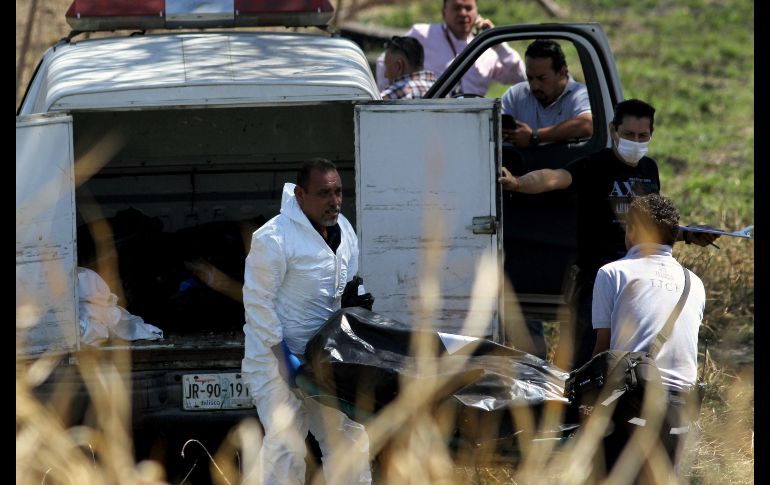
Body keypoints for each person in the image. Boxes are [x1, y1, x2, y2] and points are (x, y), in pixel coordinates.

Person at [498, 99, 716, 370]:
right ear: (613, 131)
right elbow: (554, 178)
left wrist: (687, 234)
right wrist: (518, 183)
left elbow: (654, 224)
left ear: (651, 134)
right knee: (584, 357)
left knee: (627, 356)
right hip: (596, 278)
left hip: (638, 280)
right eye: (628, 135)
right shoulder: (595, 165)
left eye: (642, 136)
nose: (635, 141)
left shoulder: (650, 169)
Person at [241, 159, 372, 484]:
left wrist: (357, 303)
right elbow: (258, 303)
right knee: (285, 448)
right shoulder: (274, 238)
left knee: (349, 441)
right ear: (300, 194)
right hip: (275, 363)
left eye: (338, 192)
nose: (334, 201)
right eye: (323, 193)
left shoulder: (345, 232)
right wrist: (283, 357)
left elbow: (347, 286)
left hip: (325, 360)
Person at [591, 193, 706, 480]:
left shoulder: (612, 273)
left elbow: (603, 354)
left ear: (632, 231)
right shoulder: (695, 283)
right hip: (680, 410)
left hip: (632, 402)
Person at [375, 0, 526, 97]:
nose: (463, 13)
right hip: (432, 115)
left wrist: (498, 44)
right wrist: (393, 96)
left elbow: (520, 77)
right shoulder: (423, 34)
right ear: (444, 13)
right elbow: (385, 61)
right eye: (457, 8)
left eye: (468, 8)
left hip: (474, 119)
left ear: (477, 12)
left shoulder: (487, 47)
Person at [501, 39, 593, 147]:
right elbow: (491, 126)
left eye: (542, 78)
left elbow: (587, 125)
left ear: (562, 72)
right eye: (530, 78)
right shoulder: (515, 94)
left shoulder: (580, 94)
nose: (535, 85)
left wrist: (534, 136)